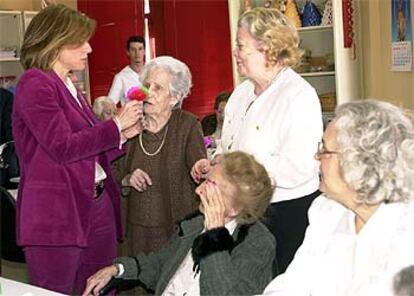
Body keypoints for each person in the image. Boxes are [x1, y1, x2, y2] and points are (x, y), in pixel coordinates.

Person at [12, 4, 142, 294]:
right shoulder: (36, 83)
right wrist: (115, 127)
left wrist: (124, 135)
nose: (89, 48)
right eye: (80, 41)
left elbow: (87, 148)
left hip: (94, 206)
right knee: (59, 289)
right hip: (57, 215)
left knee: (100, 287)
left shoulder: (69, 84)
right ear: (55, 42)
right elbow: (62, 147)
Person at [191, 7, 322, 274]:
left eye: (241, 46)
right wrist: (216, 163)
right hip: (246, 212)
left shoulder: (299, 96)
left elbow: (300, 167)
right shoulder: (240, 94)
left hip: (284, 215)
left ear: (268, 48)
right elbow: (231, 148)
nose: (235, 52)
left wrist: (237, 177)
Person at [262, 100, 414, 296]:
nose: (317, 156)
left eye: (325, 149)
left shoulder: (405, 234)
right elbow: (293, 284)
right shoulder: (327, 210)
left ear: (358, 162)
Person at [83, 151, 275, 296]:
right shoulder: (197, 223)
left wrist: (215, 235)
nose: (199, 190)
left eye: (210, 186)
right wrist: (117, 269)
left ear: (235, 209)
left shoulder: (258, 244)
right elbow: (160, 265)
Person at [112, 56, 206, 279]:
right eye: (146, 86)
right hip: (133, 233)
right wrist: (126, 178)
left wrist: (202, 167)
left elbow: (198, 164)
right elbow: (111, 169)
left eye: (158, 88)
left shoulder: (187, 126)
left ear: (174, 98)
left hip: (173, 234)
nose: (148, 93)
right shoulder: (129, 122)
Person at [108, 35, 145, 106]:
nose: (137, 53)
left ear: (144, 51)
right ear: (128, 52)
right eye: (133, 50)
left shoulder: (152, 72)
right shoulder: (121, 77)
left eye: (140, 49)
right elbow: (110, 104)